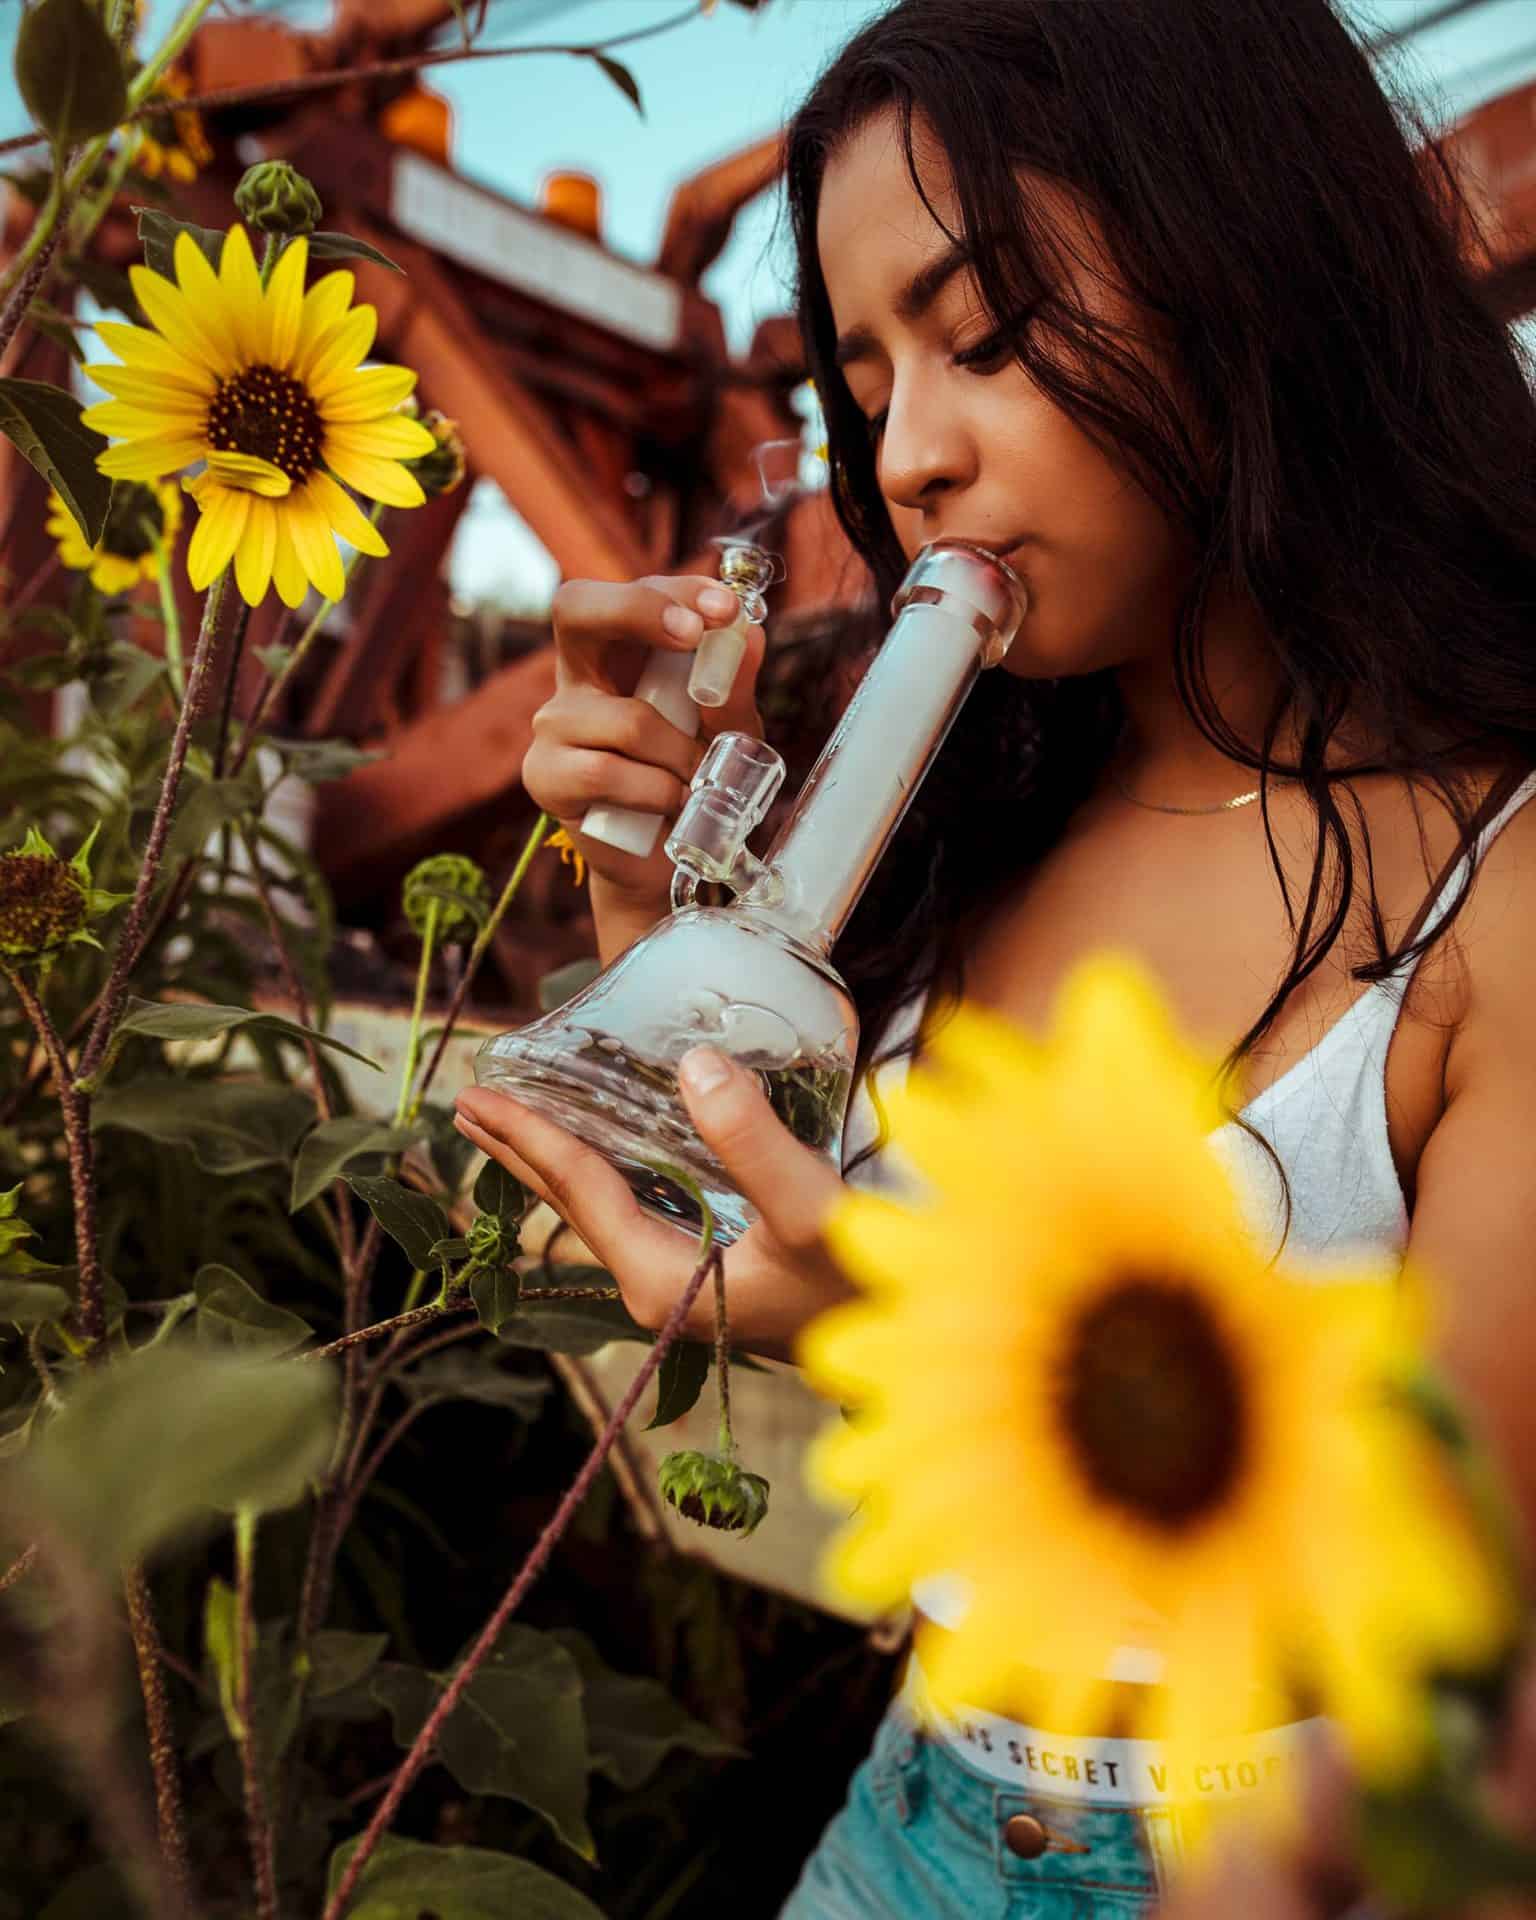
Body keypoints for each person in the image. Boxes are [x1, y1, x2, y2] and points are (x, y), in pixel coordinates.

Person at [452, 1, 1536, 1911]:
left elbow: (1463, 1680)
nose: (913, 455)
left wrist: (884, 1323)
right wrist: (652, 927)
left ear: (1251, 271)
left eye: (986, 336)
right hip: (908, 1814)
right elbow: (673, 1222)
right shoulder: (969, 833)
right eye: (864, 380)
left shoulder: (1501, 894)